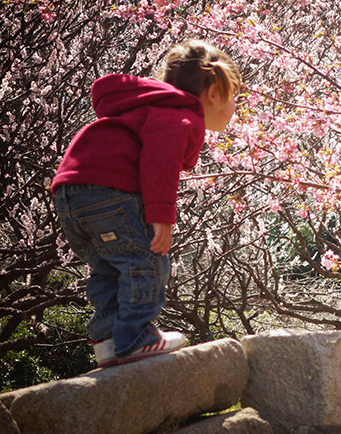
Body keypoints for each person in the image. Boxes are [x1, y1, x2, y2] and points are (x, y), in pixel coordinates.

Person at [52, 39, 242, 368]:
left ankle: (109, 342)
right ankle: (136, 337)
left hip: (71, 194)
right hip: (110, 191)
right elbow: (160, 162)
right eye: (233, 96)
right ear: (214, 93)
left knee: (110, 267)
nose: (234, 107)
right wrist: (161, 217)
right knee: (148, 261)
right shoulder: (181, 115)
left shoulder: (148, 108)